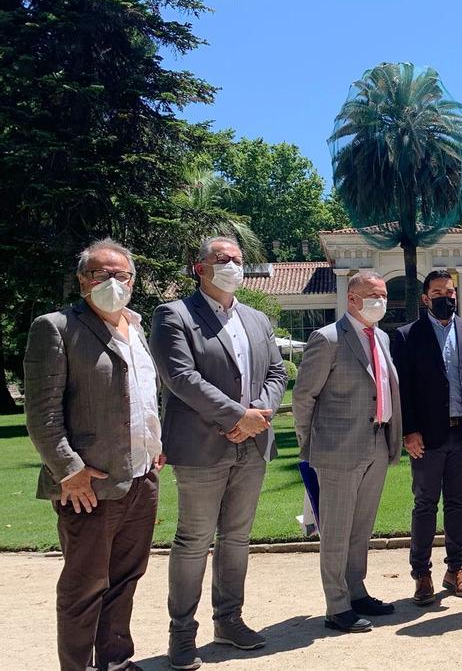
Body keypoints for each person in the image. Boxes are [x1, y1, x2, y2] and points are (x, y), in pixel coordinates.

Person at [25, 239, 165, 671]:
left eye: (120, 274)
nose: (111, 281)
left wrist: (155, 447)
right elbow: (42, 412)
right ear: (83, 280)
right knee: (85, 587)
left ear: (133, 281)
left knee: (125, 580)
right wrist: (70, 471)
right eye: (99, 273)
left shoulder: (138, 328)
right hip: (88, 485)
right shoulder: (55, 327)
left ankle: (116, 662)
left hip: (141, 478)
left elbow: (144, 398)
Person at [149, 236, 287, 670]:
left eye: (238, 260)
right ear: (200, 267)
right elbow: (180, 377)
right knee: (193, 541)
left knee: (237, 538)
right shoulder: (173, 315)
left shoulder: (257, 318)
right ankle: (182, 635)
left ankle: (229, 621)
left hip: (254, 442)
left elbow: (277, 370)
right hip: (200, 445)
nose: (232, 265)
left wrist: (256, 417)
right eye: (222, 259)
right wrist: (235, 417)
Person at [292, 271, 403, 633]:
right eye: (373, 295)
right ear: (352, 299)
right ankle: (336, 605)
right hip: (337, 449)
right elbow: (304, 397)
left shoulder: (382, 336)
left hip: (376, 441)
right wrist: (310, 445)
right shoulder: (327, 339)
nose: (380, 301)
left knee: (361, 528)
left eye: (383, 294)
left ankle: (356, 591)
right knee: (337, 531)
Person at [391, 270, 462, 605]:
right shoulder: (405, 336)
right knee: (425, 505)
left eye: (451, 291)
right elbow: (403, 390)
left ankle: (456, 570)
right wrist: (408, 431)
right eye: (439, 291)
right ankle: (422, 574)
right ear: (425, 298)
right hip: (426, 437)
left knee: (458, 504)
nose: (447, 296)